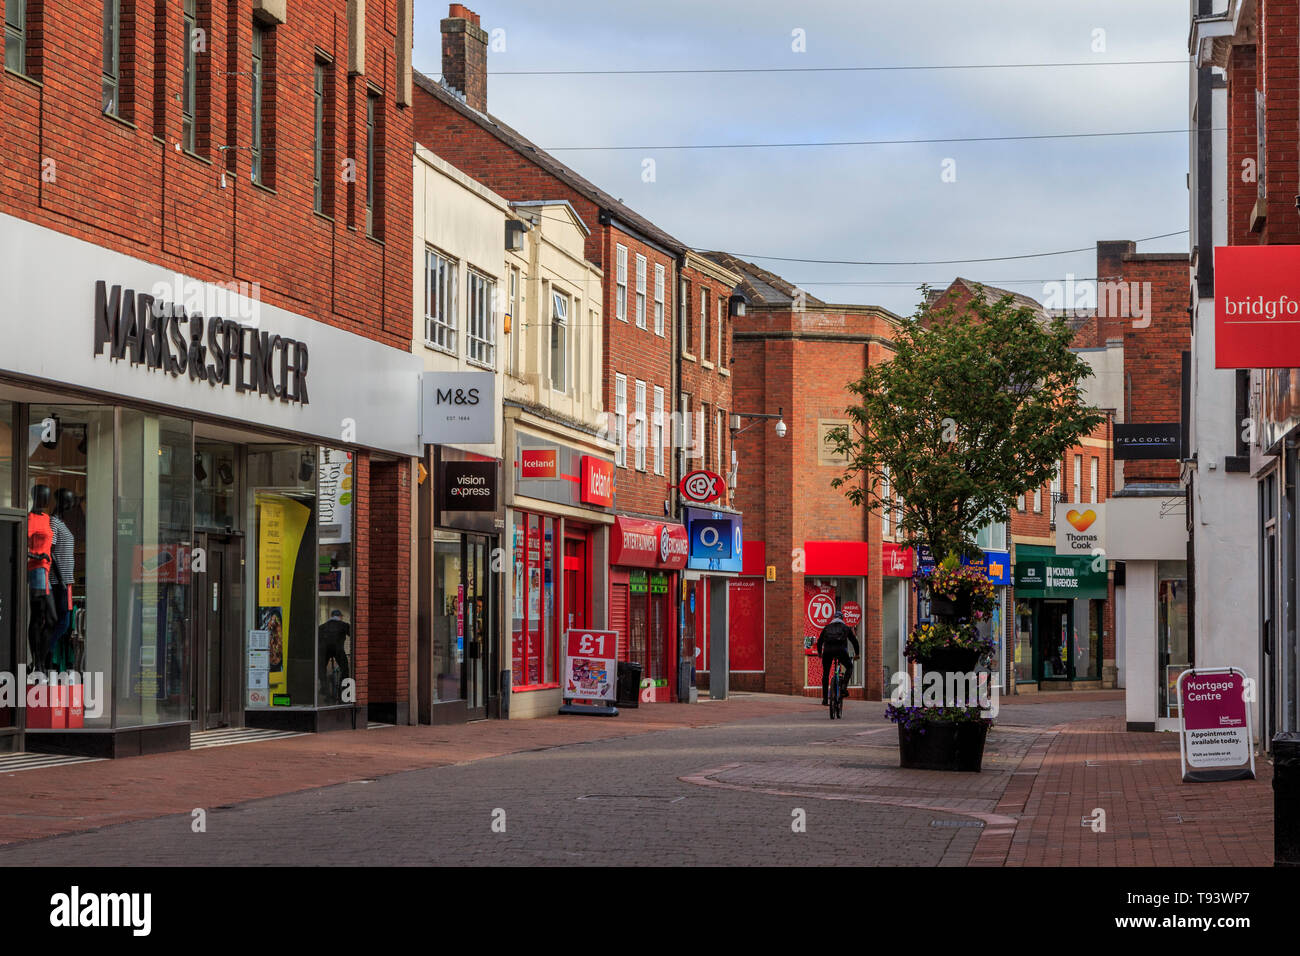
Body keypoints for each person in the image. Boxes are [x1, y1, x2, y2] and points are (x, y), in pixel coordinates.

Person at [816, 611, 860, 706]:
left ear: (833, 618)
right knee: (849, 666)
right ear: (842, 619)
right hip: (841, 651)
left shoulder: (827, 627)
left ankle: (824, 699)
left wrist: (820, 653)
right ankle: (843, 687)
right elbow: (854, 641)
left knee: (826, 673)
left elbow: (819, 642)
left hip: (827, 651)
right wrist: (857, 654)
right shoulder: (845, 628)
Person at [318, 609, 351, 703]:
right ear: (340, 616)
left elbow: (318, 640)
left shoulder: (322, 627)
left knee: (321, 668)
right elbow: (353, 635)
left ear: (331, 616)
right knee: (345, 668)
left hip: (325, 651)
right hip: (338, 650)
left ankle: (324, 687)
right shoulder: (344, 625)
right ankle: (343, 688)